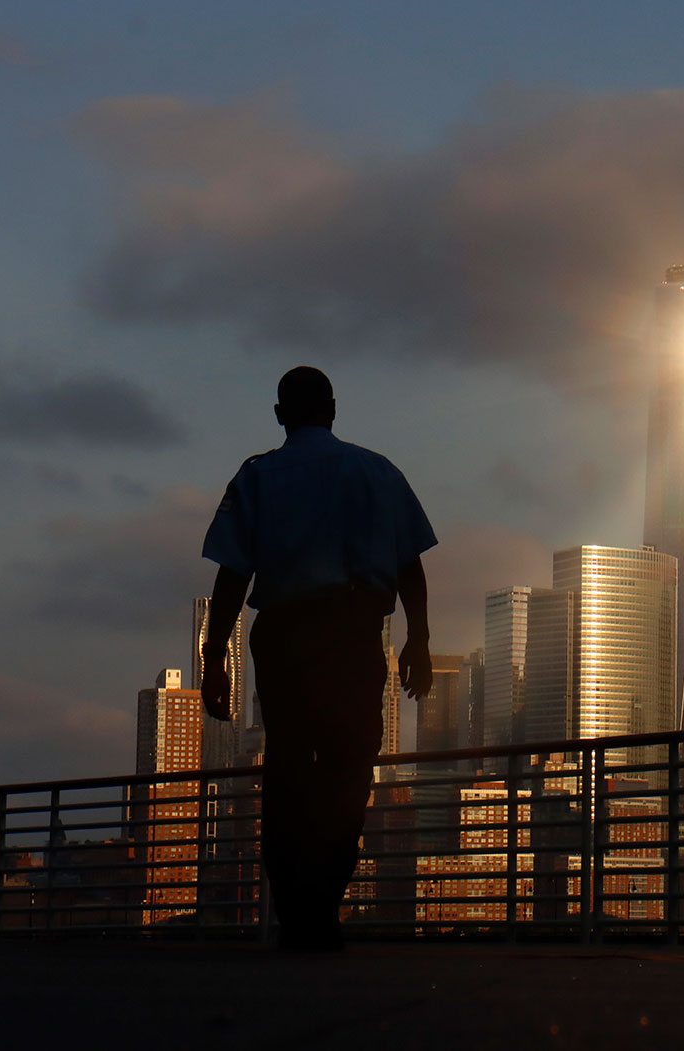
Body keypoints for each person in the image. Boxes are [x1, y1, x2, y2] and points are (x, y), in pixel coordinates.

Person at [198, 366, 436, 950]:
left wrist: (214, 657)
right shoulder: (379, 472)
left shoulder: (257, 476)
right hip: (355, 635)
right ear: (334, 407)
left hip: (283, 635)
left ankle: (295, 916)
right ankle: (323, 909)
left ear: (280, 414)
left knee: (286, 774)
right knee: (348, 772)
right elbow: (411, 566)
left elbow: (232, 576)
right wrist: (418, 639)